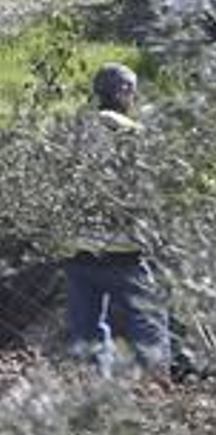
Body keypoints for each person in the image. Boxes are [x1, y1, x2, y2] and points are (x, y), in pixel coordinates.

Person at [61, 64, 170, 380]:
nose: (134, 98)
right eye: (132, 91)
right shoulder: (133, 134)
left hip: (78, 249)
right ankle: (155, 390)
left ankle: (93, 392)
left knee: (86, 330)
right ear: (123, 92)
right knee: (148, 320)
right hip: (123, 249)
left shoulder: (72, 133)